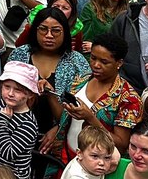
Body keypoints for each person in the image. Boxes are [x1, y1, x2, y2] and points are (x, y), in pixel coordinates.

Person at [48, 32, 143, 164]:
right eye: (93, 58)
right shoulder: (81, 80)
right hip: (66, 157)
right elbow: (65, 118)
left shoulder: (128, 99)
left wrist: (90, 118)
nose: (96, 65)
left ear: (119, 63)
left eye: (104, 62)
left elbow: (121, 145)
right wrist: (50, 93)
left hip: (99, 167)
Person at [6, 6, 90, 142]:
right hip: (15, 135)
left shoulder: (77, 62)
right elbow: (5, 98)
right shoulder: (19, 55)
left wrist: (59, 129)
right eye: (43, 29)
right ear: (35, 30)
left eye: (56, 31)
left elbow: (80, 109)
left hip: (62, 140)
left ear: (65, 33)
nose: (49, 35)